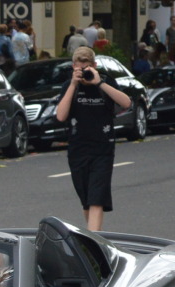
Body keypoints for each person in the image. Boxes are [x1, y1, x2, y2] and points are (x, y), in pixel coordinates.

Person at [55, 46, 131, 231]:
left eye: (87, 67)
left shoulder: (106, 82)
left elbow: (126, 103)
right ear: (74, 67)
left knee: (97, 199)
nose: (84, 72)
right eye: (80, 68)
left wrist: (99, 83)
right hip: (78, 149)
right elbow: (61, 116)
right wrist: (73, 84)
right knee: (87, 200)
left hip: (102, 149)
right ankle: (94, 237)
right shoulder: (69, 86)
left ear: (95, 66)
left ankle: (92, 241)